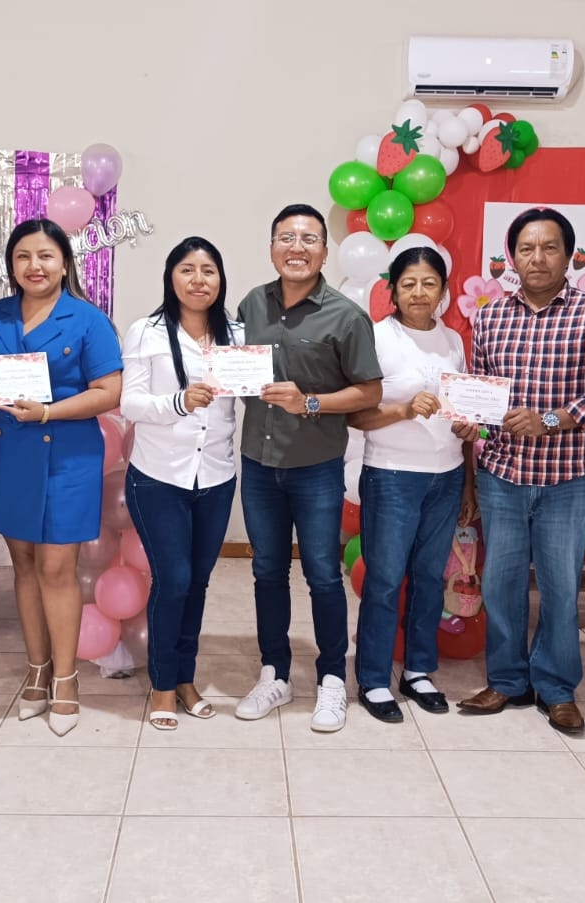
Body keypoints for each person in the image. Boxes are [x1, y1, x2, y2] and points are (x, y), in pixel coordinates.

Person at [454, 207, 585, 737]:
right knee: (502, 585)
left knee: (560, 588)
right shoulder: (490, 317)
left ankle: (556, 688)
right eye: (526, 249)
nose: (537, 258)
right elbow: (482, 393)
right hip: (502, 477)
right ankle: (507, 681)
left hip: (567, 480)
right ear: (512, 257)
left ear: (569, 255)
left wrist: (551, 420)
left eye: (549, 247)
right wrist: (471, 422)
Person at [234, 204, 383, 733]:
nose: (296, 248)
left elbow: (369, 391)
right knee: (267, 572)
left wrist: (311, 402)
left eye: (308, 239)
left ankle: (332, 679)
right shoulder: (251, 304)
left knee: (322, 574)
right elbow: (236, 370)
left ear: (324, 251)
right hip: (258, 464)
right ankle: (274, 673)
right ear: (272, 246)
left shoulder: (346, 316)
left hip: (316, 467)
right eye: (286, 237)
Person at [0, 218, 123, 737]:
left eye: (45, 256)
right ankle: (37, 669)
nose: (34, 266)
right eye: (23, 256)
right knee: (23, 564)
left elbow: (108, 392)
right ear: (11, 265)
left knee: (58, 568)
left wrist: (47, 412)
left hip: (67, 455)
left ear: (64, 263)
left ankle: (66, 678)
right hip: (11, 455)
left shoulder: (88, 318)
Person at [120, 237, 240, 731]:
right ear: (171, 278)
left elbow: (246, 396)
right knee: (173, 580)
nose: (198, 280)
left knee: (198, 582)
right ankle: (163, 685)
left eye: (208, 270)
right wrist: (179, 402)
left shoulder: (237, 335)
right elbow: (129, 403)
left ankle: (186, 678)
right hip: (159, 476)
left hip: (216, 475)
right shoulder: (146, 332)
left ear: (220, 280)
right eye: (187, 269)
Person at [347, 247, 468, 723]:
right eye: (409, 283)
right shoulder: (376, 338)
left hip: (447, 474)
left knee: (429, 578)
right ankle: (374, 678)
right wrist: (402, 409)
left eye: (429, 283)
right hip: (392, 475)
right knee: (384, 579)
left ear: (443, 291)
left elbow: (462, 410)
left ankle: (418, 670)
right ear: (392, 291)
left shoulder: (452, 341)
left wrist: (468, 432)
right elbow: (354, 415)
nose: (420, 292)